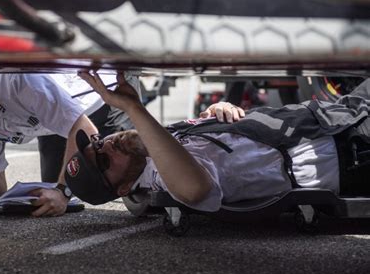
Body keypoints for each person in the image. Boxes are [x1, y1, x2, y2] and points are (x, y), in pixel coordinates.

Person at [64, 71, 370, 212]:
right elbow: (196, 190)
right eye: (103, 160)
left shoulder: (157, 146)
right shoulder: (163, 179)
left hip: (336, 114)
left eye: (98, 142)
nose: (108, 145)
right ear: (123, 189)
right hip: (351, 147)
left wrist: (213, 115)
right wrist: (133, 108)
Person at [0, 72, 140, 216]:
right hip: (56, 123)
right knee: (48, 199)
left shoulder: (14, 81)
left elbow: (84, 129)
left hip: (106, 92)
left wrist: (63, 190)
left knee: (121, 185)